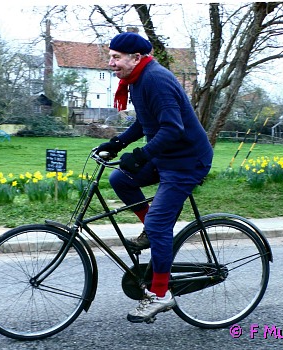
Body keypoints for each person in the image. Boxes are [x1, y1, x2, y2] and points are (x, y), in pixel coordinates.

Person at [97, 32, 214, 324]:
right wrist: (118, 143)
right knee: (120, 180)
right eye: (110, 56)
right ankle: (153, 232)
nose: (111, 62)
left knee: (161, 223)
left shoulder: (155, 79)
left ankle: (161, 293)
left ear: (135, 58)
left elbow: (172, 127)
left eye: (116, 57)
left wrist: (141, 155)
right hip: (167, 157)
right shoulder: (136, 80)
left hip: (187, 161)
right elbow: (145, 121)